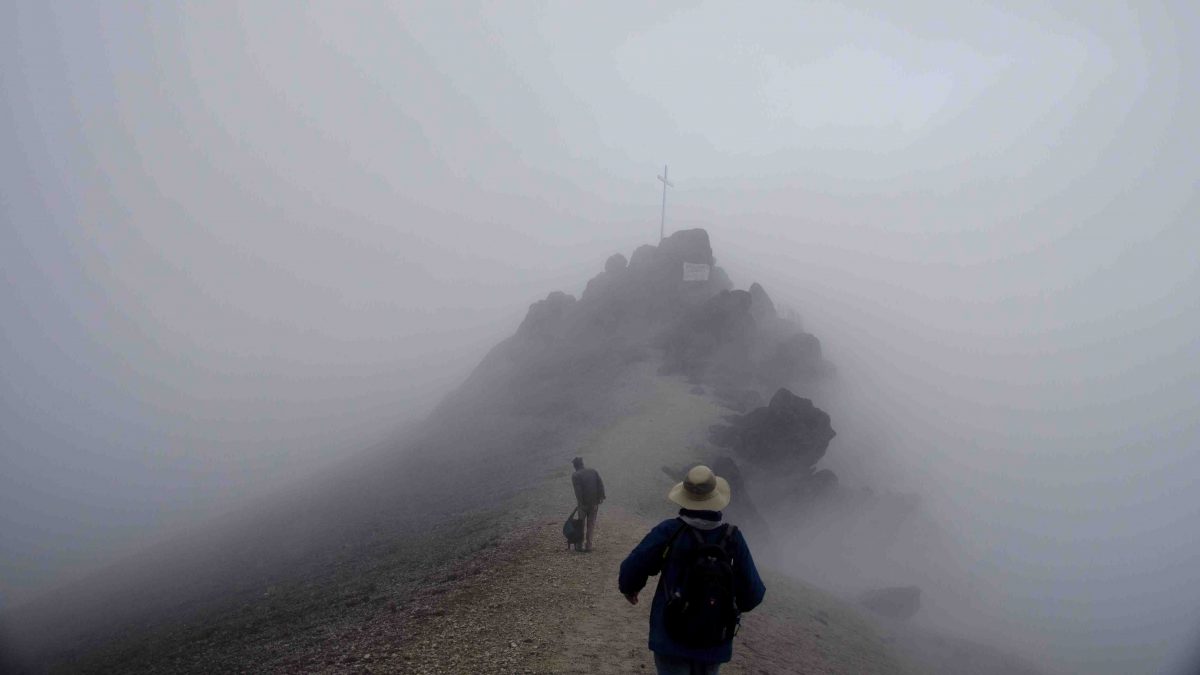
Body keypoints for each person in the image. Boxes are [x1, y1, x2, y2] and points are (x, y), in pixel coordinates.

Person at [619, 465, 765, 674]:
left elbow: (634, 565)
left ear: (684, 496)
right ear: (715, 497)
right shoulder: (733, 537)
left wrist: (630, 588)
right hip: (715, 639)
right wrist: (724, 606)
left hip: (671, 635)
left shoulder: (670, 531)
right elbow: (754, 592)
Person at [571, 456, 605, 552]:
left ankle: (579, 546)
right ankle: (589, 546)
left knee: (580, 524)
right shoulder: (593, 471)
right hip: (594, 503)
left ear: (575, 466)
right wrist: (601, 497)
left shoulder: (575, 475)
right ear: (582, 464)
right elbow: (600, 484)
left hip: (583, 505)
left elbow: (578, 491)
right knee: (591, 525)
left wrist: (580, 504)